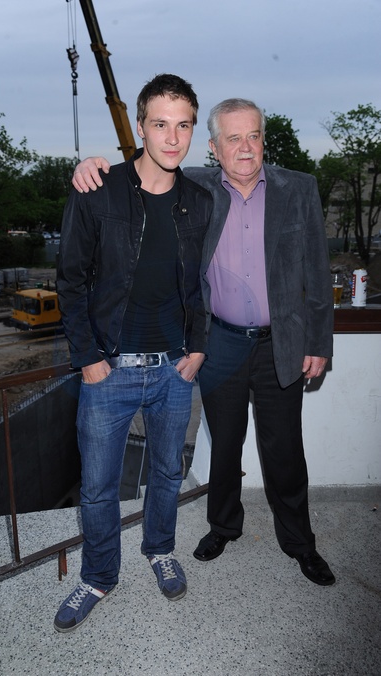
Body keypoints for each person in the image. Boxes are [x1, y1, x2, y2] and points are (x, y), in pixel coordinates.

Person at [71, 98, 336, 587]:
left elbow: (318, 272)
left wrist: (319, 341)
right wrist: (91, 165)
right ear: (213, 147)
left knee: (285, 450)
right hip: (220, 344)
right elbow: (146, 166)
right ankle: (224, 527)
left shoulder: (299, 188)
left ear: (263, 140)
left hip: (281, 344)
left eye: (253, 135)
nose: (245, 147)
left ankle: (301, 543)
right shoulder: (196, 187)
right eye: (233, 138)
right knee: (225, 445)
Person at [54, 74, 213, 633]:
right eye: (160, 124)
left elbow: (202, 285)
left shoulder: (199, 201)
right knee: (98, 486)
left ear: (193, 130)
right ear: (140, 127)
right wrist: (87, 357)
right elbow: (70, 280)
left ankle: (160, 549)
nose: (172, 137)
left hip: (174, 370)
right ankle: (99, 576)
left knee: (168, 472)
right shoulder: (98, 189)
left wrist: (199, 347)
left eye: (183, 125)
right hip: (109, 370)